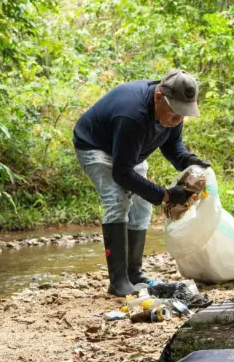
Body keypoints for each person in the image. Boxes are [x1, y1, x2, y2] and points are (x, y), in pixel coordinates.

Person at [72, 69, 211, 297]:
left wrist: (188, 160)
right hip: (95, 146)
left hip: (127, 153)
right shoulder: (132, 114)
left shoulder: (173, 110)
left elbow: (172, 146)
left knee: (142, 205)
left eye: (183, 116)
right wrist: (166, 195)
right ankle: (118, 282)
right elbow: (122, 173)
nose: (178, 120)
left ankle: (133, 274)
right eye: (175, 114)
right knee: (118, 201)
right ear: (158, 98)